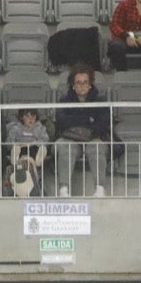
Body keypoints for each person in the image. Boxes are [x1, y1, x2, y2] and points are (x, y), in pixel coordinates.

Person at [52, 66, 114, 196]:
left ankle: (100, 189)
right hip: (69, 138)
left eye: (85, 82)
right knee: (66, 147)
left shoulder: (99, 100)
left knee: (96, 147)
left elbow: (103, 123)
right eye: (78, 83)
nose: (82, 86)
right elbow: (61, 122)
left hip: (93, 137)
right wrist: (88, 120)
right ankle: (64, 189)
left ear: (90, 84)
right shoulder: (64, 100)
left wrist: (78, 122)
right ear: (73, 85)